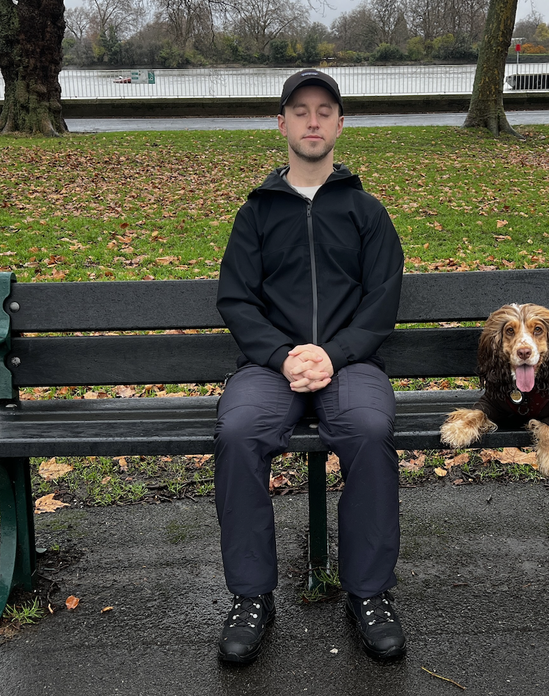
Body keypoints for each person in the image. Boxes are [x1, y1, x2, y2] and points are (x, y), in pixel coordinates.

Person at [212, 69, 406, 664]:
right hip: (269, 368)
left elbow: (383, 299)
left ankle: (368, 593)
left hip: (351, 365)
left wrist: (334, 353)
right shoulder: (257, 214)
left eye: (325, 110)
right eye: (300, 110)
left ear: (341, 124)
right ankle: (251, 596)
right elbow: (236, 299)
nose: (313, 120)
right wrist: (283, 354)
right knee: (239, 432)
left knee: (370, 432)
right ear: (282, 124)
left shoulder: (366, 211)